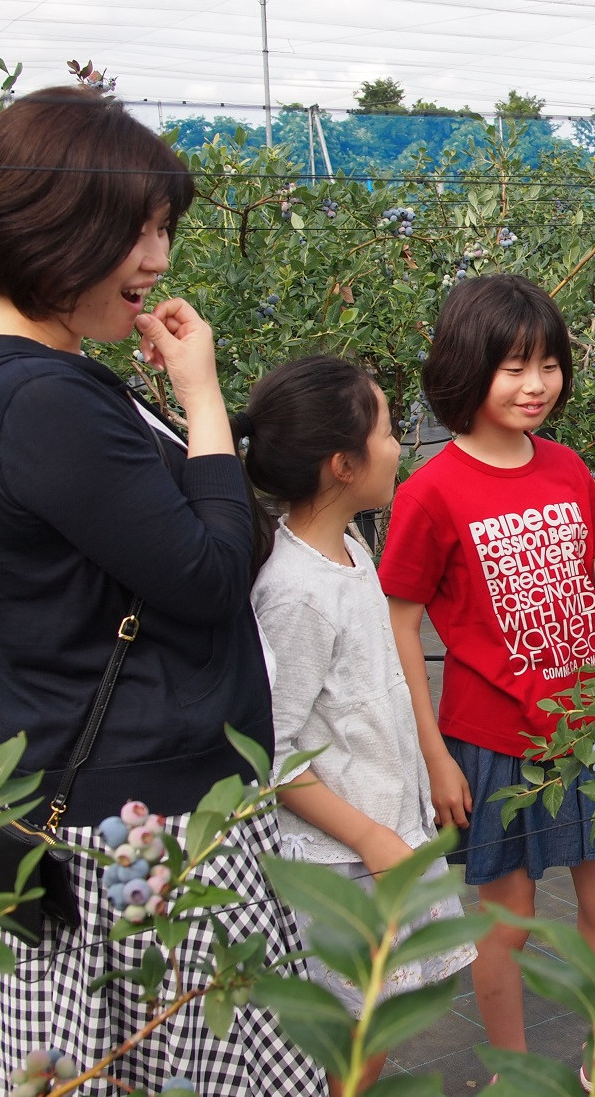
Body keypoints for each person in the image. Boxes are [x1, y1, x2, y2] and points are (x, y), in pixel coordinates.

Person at [0, 87, 324, 1092]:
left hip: (97, 791)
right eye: (136, 232)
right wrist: (199, 398)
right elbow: (203, 574)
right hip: (148, 818)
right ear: (54, 224)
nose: (156, 261)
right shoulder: (40, 399)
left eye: (162, 231)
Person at [379, 274, 595, 1097]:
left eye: (548, 365)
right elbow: (396, 624)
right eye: (512, 368)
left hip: (585, 731)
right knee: (509, 924)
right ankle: (516, 1076)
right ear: (466, 370)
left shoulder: (565, 465)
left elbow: (579, 591)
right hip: (493, 741)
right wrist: (434, 757)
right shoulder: (430, 491)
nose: (535, 385)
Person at [243, 354, 478, 1097]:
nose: (400, 444)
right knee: (349, 1038)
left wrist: (424, 772)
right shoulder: (295, 593)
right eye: (385, 429)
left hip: (381, 835)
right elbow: (272, 755)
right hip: (341, 862)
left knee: (381, 1020)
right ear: (343, 464)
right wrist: (373, 839)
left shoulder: (349, 549)